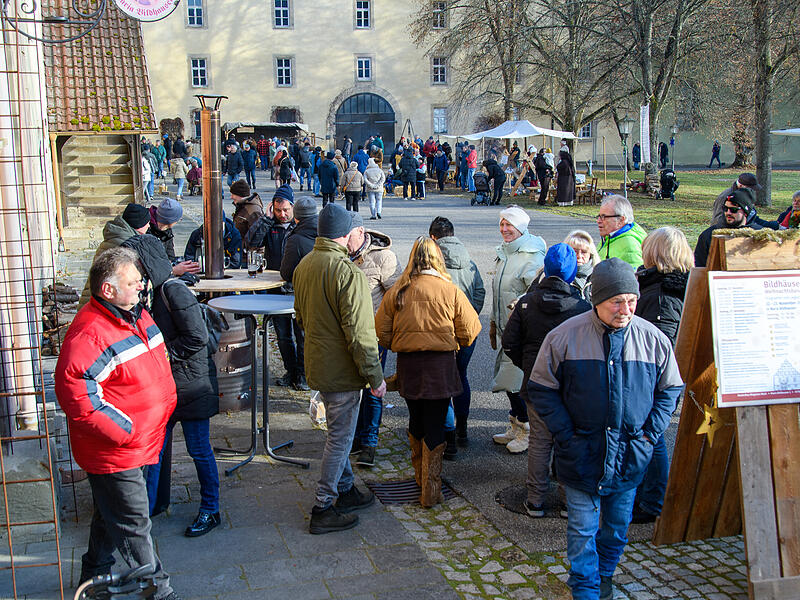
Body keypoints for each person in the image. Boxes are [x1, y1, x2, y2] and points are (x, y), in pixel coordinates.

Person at [529, 257, 683, 600]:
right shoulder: (564, 337)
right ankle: (585, 588)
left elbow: (670, 389)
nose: (625, 309)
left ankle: (605, 575)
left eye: (631, 300)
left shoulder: (653, 340)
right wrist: (566, 435)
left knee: (615, 530)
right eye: (616, 302)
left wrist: (648, 435)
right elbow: (541, 389)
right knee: (582, 531)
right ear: (597, 300)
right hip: (581, 455)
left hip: (630, 457)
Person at [55, 247, 180, 600]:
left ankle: (93, 575)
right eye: (134, 281)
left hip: (139, 443)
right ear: (108, 290)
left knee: (111, 513)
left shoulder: (133, 313)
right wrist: (127, 431)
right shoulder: (90, 334)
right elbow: (78, 396)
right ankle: (160, 591)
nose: (142, 286)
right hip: (117, 451)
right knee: (134, 522)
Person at [293, 203, 386, 534]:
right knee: (340, 438)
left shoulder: (305, 264)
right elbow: (361, 335)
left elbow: (300, 318)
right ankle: (323, 505)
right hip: (343, 371)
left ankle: (346, 491)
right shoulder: (348, 273)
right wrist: (375, 377)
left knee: (338, 434)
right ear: (346, 236)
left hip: (318, 363)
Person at [122, 235, 221, 538]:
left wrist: (161, 353)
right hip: (164, 388)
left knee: (199, 449)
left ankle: (211, 509)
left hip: (191, 387)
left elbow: (197, 338)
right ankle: (148, 511)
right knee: (154, 452)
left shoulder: (172, 291)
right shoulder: (148, 293)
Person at [375, 237, 480, 507]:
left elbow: (381, 332)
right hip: (440, 367)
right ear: (438, 259)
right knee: (434, 424)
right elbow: (470, 330)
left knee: (416, 420)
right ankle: (430, 489)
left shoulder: (398, 290)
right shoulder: (450, 290)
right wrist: (453, 341)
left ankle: (421, 480)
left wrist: (403, 341)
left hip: (409, 366)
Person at [502, 244, 592, 518]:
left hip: (536, 384)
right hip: (571, 387)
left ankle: (536, 500)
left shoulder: (527, 303)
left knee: (540, 442)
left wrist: (528, 365)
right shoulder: (582, 307)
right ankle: (567, 503)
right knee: (568, 441)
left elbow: (510, 342)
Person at [629, 226, 692, 524]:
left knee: (652, 438)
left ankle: (652, 501)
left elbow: (660, 344)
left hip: (655, 379)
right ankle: (646, 494)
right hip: (657, 377)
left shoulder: (664, 293)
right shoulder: (661, 285)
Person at [490, 205, 546, 454]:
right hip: (505, 328)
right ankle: (515, 424)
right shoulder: (505, 253)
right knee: (508, 381)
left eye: (509, 225)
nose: (504, 229)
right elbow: (499, 291)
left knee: (516, 383)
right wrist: (493, 321)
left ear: (521, 228)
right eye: (502, 224)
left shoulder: (532, 256)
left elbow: (532, 296)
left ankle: (528, 431)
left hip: (521, 332)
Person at [347, 214, 401, 467]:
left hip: (373, 336)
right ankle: (356, 437)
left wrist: (387, 331)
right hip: (347, 335)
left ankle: (369, 441)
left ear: (360, 232)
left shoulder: (383, 257)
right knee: (351, 388)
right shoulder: (341, 256)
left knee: (372, 388)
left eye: (348, 235)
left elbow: (398, 299)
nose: (344, 241)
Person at [429, 217, 485, 448]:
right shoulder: (470, 262)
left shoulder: (433, 265)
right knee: (460, 376)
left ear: (434, 238)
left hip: (441, 333)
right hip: (466, 332)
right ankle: (462, 428)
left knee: (442, 382)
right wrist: (470, 316)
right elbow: (480, 292)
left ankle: (448, 435)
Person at [247, 185, 308, 390]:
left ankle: (302, 374)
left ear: (293, 207)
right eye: (277, 210)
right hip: (275, 288)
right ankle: (290, 370)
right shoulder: (270, 224)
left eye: (285, 210)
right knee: (282, 336)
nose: (282, 214)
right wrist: (265, 219)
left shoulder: (300, 227)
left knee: (302, 335)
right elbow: (251, 242)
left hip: (298, 288)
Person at [695, 188, 762, 267]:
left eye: (733, 209)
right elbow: (700, 267)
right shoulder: (709, 235)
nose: (728, 212)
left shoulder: (758, 234)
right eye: (725, 208)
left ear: (745, 212)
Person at [596, 195, 647, 268]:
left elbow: (633, 277)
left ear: (621, 220)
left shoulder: (630, 245)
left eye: (604, 217)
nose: (598, 221)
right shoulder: (610, 236)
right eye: (599, 216)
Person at [279, 196, 318, 285]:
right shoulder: (328, 232)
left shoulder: (295, 240)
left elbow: (286, 274)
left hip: (305, 290)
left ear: (296, 218)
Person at [563, 230, 600, 302]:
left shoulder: (600, 277)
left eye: (584, 252)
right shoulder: (556, 276)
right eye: (575, 251)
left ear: (591, 254)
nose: (579, 256)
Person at [147, 198, 183, 262]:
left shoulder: (167, 231)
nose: (177, 221)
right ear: (170, 221)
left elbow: (170, 254)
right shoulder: (147, 230)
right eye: (178, 219)